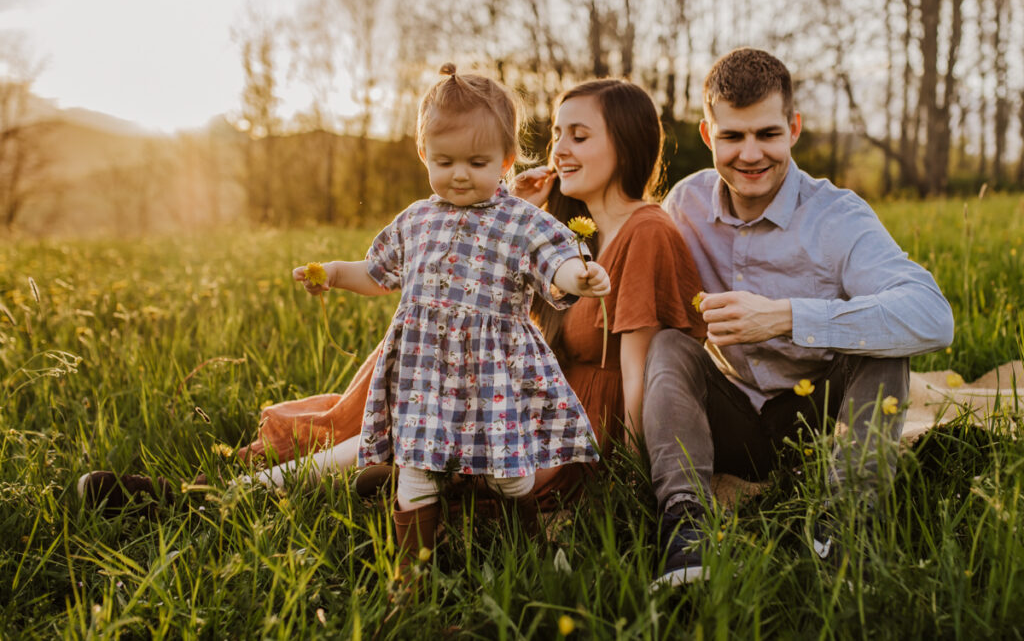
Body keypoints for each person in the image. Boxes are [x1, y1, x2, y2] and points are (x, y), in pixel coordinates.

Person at [79, 77, 706, 543]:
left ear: (623, 142)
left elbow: (642, 370)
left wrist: (625, 478)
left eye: (579, 134)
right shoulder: (573, 233)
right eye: (557, 132)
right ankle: (234, 493)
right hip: (504, 401)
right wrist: (514, 213)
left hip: (563, 428)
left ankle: (214, 500)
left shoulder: (644, 232)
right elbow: (506, 313)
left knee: (416, 405)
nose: (560, 148)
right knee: (420, 349)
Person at [644, 48, 955, 587]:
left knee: (886, 345)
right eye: (732, 136)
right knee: (670, 345)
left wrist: (786, 317)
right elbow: (623, 264)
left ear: (794, 128)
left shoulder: (838, 215)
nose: (750, 154)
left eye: (767, 134)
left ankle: (846, 522)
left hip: (817, 416)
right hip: (729, 409)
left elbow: (932, 315)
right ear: (706, 133)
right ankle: (686, 526)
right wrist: (547, 200)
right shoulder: (684, 203)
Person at [291, 64, 608, 577]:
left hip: (494, 375)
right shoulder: (416, 219)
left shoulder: (521, 219)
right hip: (424, 375)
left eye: (478, 162)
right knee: (415, 473)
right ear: (423, 154)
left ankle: (532, 554)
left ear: (506, 160)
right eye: (444, 161)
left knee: (510, 474)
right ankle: (411, 577)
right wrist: (330, 273)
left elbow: (557, 260)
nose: (460, 174)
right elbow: (376, 273)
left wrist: (579, 276)